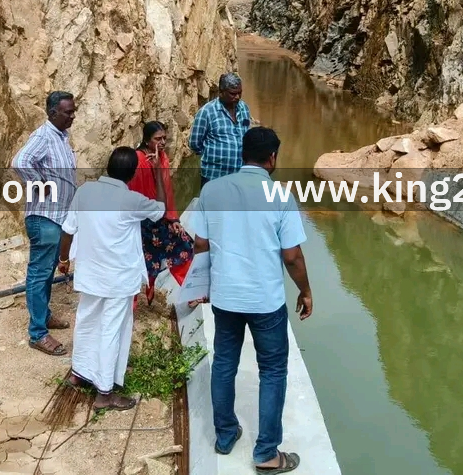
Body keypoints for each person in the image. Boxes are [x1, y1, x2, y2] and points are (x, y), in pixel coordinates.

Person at [192, 127, 312, 473]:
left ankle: (226, 434)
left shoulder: (212, 190)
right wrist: (305, 291)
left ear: (242, 154)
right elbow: (292, 256)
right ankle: (266, 454)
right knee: (273, 370)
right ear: (272, 158)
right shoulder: (280, 195)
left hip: (226, 298)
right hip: (265, 301)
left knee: (225, 363)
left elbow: (200, 244)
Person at [56, 147, 166, 410]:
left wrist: (63, 260)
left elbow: (68, 230)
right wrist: (158, 173)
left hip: (90, 275)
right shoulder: (132, 200)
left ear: (108, 167)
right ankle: (104, 393)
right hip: (118, 280)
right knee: (111, 330)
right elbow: (161, 209)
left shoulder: (85, 191)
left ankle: (78, 374)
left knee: (86, 322)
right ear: (131, 175)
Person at [11, 91, 78, 357]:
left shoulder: (61, 138)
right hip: (44, 216)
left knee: (48, 271)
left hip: (58, 217)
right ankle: (37, 333)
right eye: (67, 112)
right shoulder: (43, 136)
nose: (72, 116)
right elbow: (20, 161)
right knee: (39, 273)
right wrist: (38, 183)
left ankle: (44, 315)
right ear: (52, 113)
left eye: (73, 111)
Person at [128, 121, 194, 304]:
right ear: (147, 141)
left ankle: (192, 293)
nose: (162, 142)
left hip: (160, 217)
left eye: (164, 138)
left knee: (185, 247)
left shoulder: (162, 157)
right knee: (142, 261)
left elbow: (167, 189)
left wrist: (173, 218)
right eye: (158, 139)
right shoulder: (137, 160)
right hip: (143, 220)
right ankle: (136, 299)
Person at [188, 73, 253, 190]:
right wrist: (213, 154)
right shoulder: (207, 112)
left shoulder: (244, 109)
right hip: (214, 177)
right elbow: (194, 143)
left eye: (239, 93)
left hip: (239, 177)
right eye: (233, 94)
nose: (237, 97)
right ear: (221, 92)